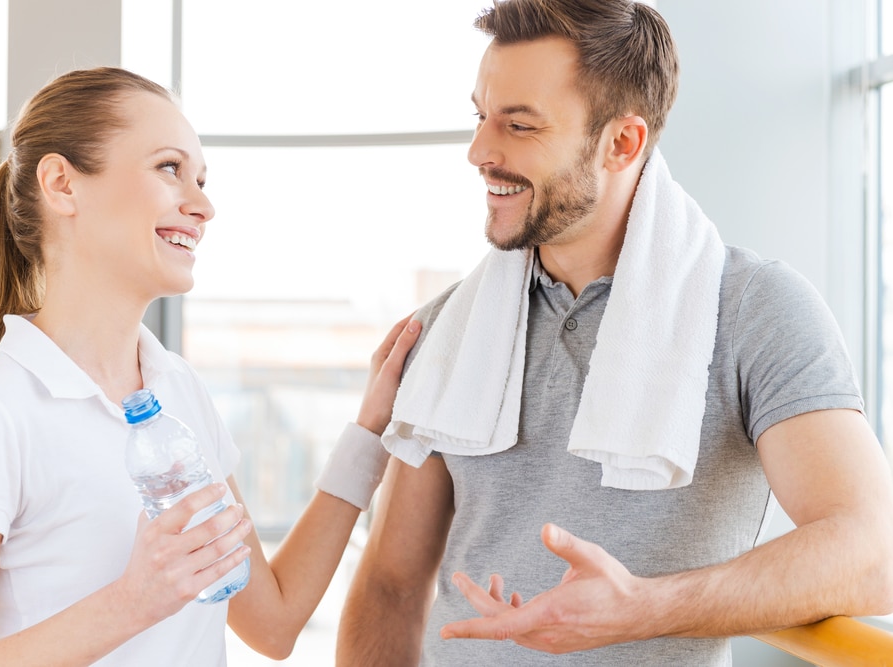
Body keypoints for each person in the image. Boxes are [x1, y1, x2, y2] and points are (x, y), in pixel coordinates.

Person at [336, 1, 893, 665]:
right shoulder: (444, 329)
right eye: (481, 116)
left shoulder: (753, 310)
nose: (479, 152)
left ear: (621, 143)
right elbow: (392, 583)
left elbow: (872, 550)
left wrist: (644, 606)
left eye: (518, 125)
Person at [0, 66, 420, 666]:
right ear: (63, 184)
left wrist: (369, 430)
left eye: (200, 178)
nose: (203, 205)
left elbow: (272, 624)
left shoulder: (178, 390)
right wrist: (132, 601)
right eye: (170, 168)